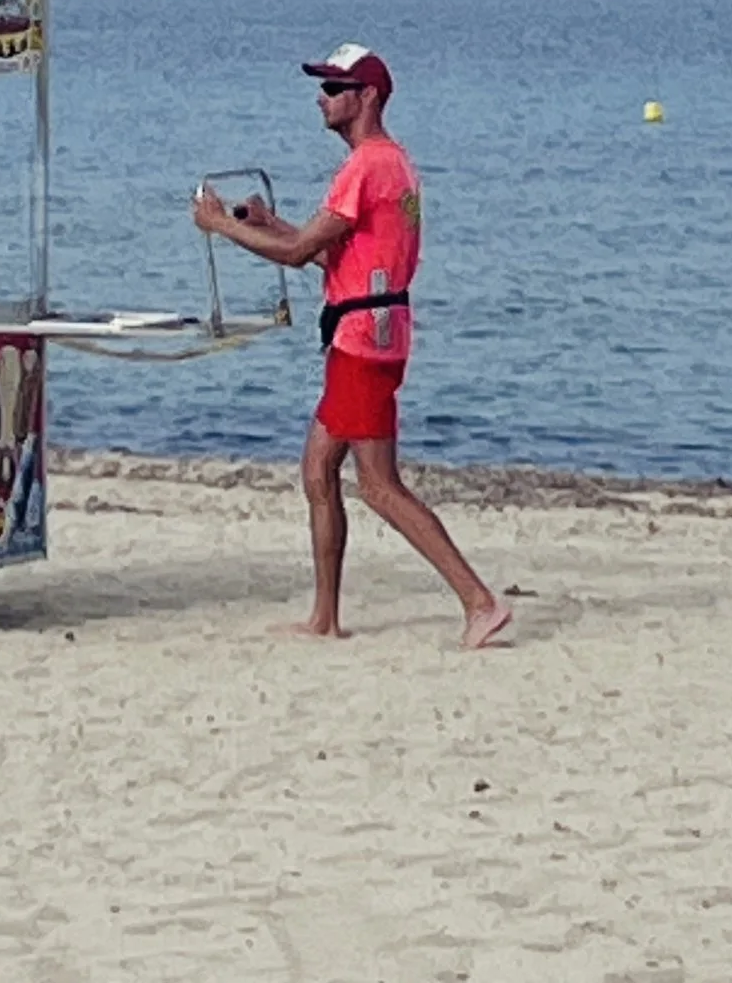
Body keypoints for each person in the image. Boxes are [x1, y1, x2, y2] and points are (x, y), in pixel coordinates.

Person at [193, 42, 511, 649]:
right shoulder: (389, 165)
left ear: (366, 97)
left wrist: (222, 226)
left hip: (366, 340)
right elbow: (328, 254)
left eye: (335, 89)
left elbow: (297, 255)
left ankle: (479, 601)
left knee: (379, 486)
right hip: (362, 330)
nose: (322, 98)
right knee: (317, 468)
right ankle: (325, 617)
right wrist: (267, 223)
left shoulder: (370, 166)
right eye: (323, 88)